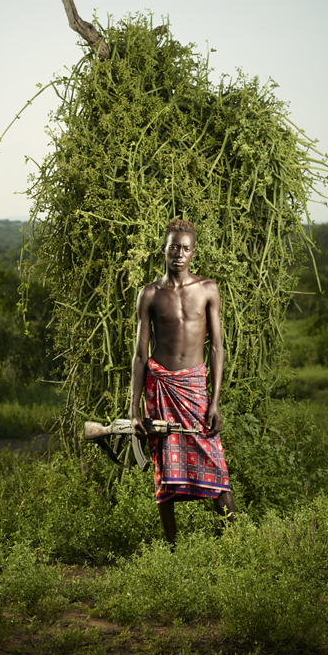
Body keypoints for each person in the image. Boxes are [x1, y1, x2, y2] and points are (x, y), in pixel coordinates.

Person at [129, 218, 235, 546]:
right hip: (159, 387)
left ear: (193, 253)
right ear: (163, 249)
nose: (179, 254)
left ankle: (238, 542)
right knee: (164, 468)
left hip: (194, 387)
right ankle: (173, 548)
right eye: (174, 246)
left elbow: (216, 347)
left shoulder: (207, 289)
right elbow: (139, 354)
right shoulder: (149, 294)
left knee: (216, 465)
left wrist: (215, 401)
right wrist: (134, 408)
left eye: (186, 248)